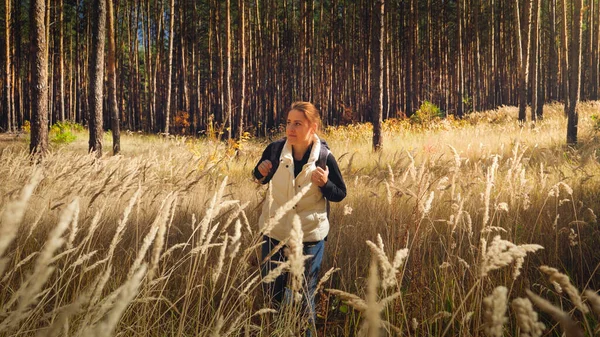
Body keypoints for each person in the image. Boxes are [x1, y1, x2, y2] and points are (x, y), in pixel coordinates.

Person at [253, 101, 347, 335]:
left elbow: (340, 193)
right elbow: (259, 177)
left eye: (298, 123)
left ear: (312, 128)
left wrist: (325, 184)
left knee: (305, 299)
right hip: (275, 234)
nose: (291, 129)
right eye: (288, 123)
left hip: (310, 237)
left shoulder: (324, 156)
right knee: (272, 300)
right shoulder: (274, 151)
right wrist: (260, 172)